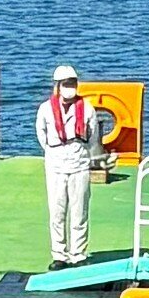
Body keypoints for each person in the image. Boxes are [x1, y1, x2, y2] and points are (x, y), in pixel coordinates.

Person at [35, 63, 102, 267]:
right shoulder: (46, 109)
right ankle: (59, 255)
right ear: (57, 85)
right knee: (57, 211)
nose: (69, 87)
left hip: (79, 162)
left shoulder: (87, 108)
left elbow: (93, 136)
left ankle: (78, 254)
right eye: (66, 83)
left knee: (79, 211)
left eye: (72, 83)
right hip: (55, 163)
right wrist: (53, 152)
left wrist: (86, 156)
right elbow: (41, 134)